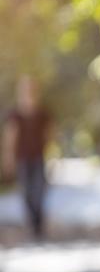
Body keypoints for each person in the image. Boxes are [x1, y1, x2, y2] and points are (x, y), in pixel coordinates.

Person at [1, 75, 53, 238]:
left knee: (39, 190)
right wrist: (8, 158)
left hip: (39, 157)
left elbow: (50, 134)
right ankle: (31, 223)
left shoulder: (42, 112)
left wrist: (52, 155)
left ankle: (38, 223)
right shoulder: (15, 113)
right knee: (26, 192)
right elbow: (10, 137)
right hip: (22, 158)